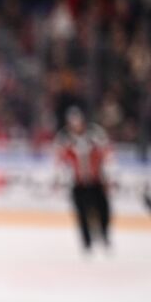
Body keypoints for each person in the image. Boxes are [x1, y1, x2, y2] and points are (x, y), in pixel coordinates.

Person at [55, 106, 112, 254]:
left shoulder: (95, 134)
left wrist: (108, 175)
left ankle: (104, 235)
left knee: (104, 210)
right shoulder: (64, 138)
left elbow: (107, 154)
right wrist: (61, 178)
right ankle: (87, 243)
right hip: (78, 183)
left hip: (96, 181)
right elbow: (60, 160)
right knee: (81, 214)